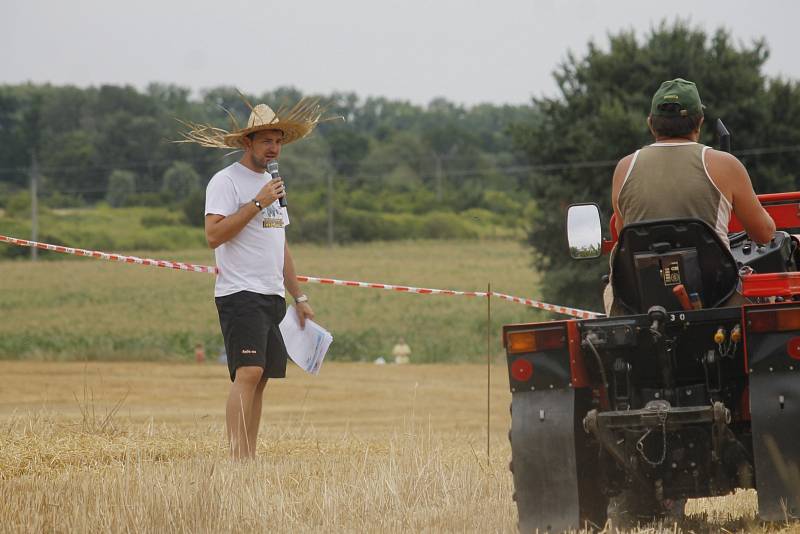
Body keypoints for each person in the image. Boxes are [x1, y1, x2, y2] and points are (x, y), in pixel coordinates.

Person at [178, 97, 329, 458]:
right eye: (265, 140)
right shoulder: (226, 181)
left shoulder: (274, 184)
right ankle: (235, 460)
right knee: (248, 371)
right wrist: (258, 203)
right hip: (239, 291)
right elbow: (214, 234)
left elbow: (281, 244)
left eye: (277, 140)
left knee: (261, 378)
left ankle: (249, 457)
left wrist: (300, 297)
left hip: (272, 294)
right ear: (247, 142)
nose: (273, 147)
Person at [605, 78, 775, 314]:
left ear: (651, 124)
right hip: (720, 298)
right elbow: (764, 234)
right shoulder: (724, 165)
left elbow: (626, 238)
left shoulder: (624, 168)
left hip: (644, 304)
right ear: (700, 122)